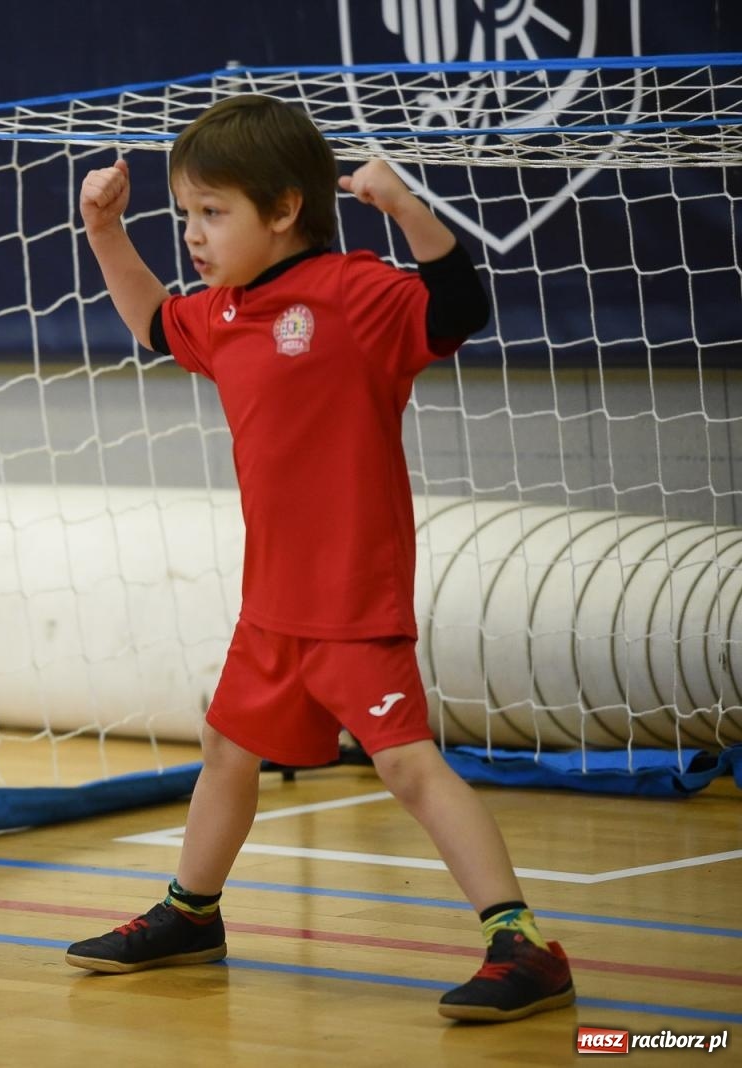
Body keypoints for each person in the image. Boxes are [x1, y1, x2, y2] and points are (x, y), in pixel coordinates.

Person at [62, 94, 574, 1022]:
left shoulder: (358, 296)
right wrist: (105, 230)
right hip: (272, 609)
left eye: (212, 214)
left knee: (408, 768)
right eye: (184, 215)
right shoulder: (221, 315)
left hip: (351, 600)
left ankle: (523, 943)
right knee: (227, 749)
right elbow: (152, 321)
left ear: (286, 208)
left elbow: (462, 304)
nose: (192, 235)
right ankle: (192, 913)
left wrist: (405, 205)